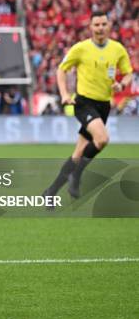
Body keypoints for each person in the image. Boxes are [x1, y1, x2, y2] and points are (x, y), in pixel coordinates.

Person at [43, 11, 133, 200]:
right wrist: (65, 94)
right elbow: (61, 69)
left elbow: (128, 73)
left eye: (103, 24)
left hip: (103, 106)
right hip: (83, 103)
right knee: (102, 139)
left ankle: (50, 192)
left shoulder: (117, 49)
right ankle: (77, 174)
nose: (100, 28)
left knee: (78, 153)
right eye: (96, 25)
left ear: (109, 26)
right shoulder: (80, 48)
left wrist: (122, 84)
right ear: (90, 27)